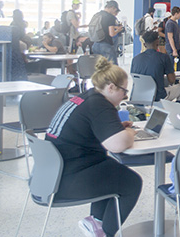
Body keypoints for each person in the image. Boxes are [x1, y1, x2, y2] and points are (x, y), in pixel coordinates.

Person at [46, 57, 142, 237]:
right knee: (131, 183)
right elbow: (117, 145)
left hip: (52, 173)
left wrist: (115, 129)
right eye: (124, 91)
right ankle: (106, 232)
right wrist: (130, 133)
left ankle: (96, 222)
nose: (125, 96)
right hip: (67, 179)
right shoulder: (100, 105)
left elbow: (90, 128)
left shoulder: (85, 98)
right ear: (111, 87)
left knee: (112, 170)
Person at [131, 31, 180, 101]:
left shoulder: (135, 59)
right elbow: (172, 80)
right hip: (157, 97)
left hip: (140, 96)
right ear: (158, 42)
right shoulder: (164, 57)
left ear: (144, 44)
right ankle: (179, 111)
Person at [91, 0, 124, 65]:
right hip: (106, 45)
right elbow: (112, 34)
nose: (115, 12)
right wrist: (118, 30)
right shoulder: (110, 17)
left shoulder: (97, 15)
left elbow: (103, 27)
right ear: (112, 7)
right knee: (112, 68)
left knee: (100, 67)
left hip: (95, 44)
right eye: (115, 10)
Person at [164, 6, 180, 71]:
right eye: (179, 14)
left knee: (178, 65)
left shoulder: (175, 23)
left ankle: (177, 81)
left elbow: (177, 38)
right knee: (173, 66)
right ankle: (173, 81)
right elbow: (170, 37)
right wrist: (174, 50)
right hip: (171, 48)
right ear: (176, 14)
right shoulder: (170, 23)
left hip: (177, 47)